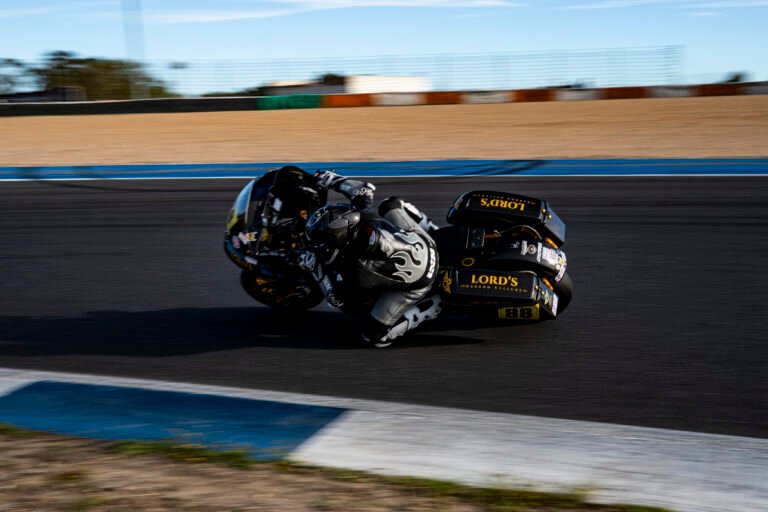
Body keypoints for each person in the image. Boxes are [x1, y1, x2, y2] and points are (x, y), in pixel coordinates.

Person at [297, 170, 442, 347]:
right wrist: (334, 180)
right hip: (425, 242)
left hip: (420, 282)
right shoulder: (364, 214)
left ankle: (431, 307)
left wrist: (315, 268)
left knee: (374, 336)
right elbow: (364, 188)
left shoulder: (356, 270)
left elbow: (337, 299)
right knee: (391, 204)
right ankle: (435, 232)